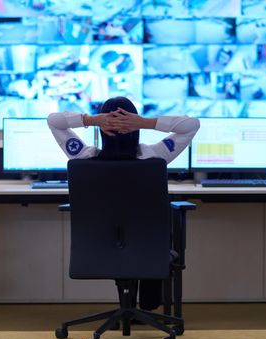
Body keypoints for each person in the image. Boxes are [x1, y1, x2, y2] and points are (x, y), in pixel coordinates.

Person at [47, 96, 200, 311]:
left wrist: (91, 120)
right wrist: (144, 122)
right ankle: (147, 306)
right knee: (156, 227)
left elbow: (53, 120)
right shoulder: (155, 157)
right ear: (135, 127)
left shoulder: (82, 158)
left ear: (101, 128)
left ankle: (129, 310)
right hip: (148, 248)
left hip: (98, 245)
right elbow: (192, 125)